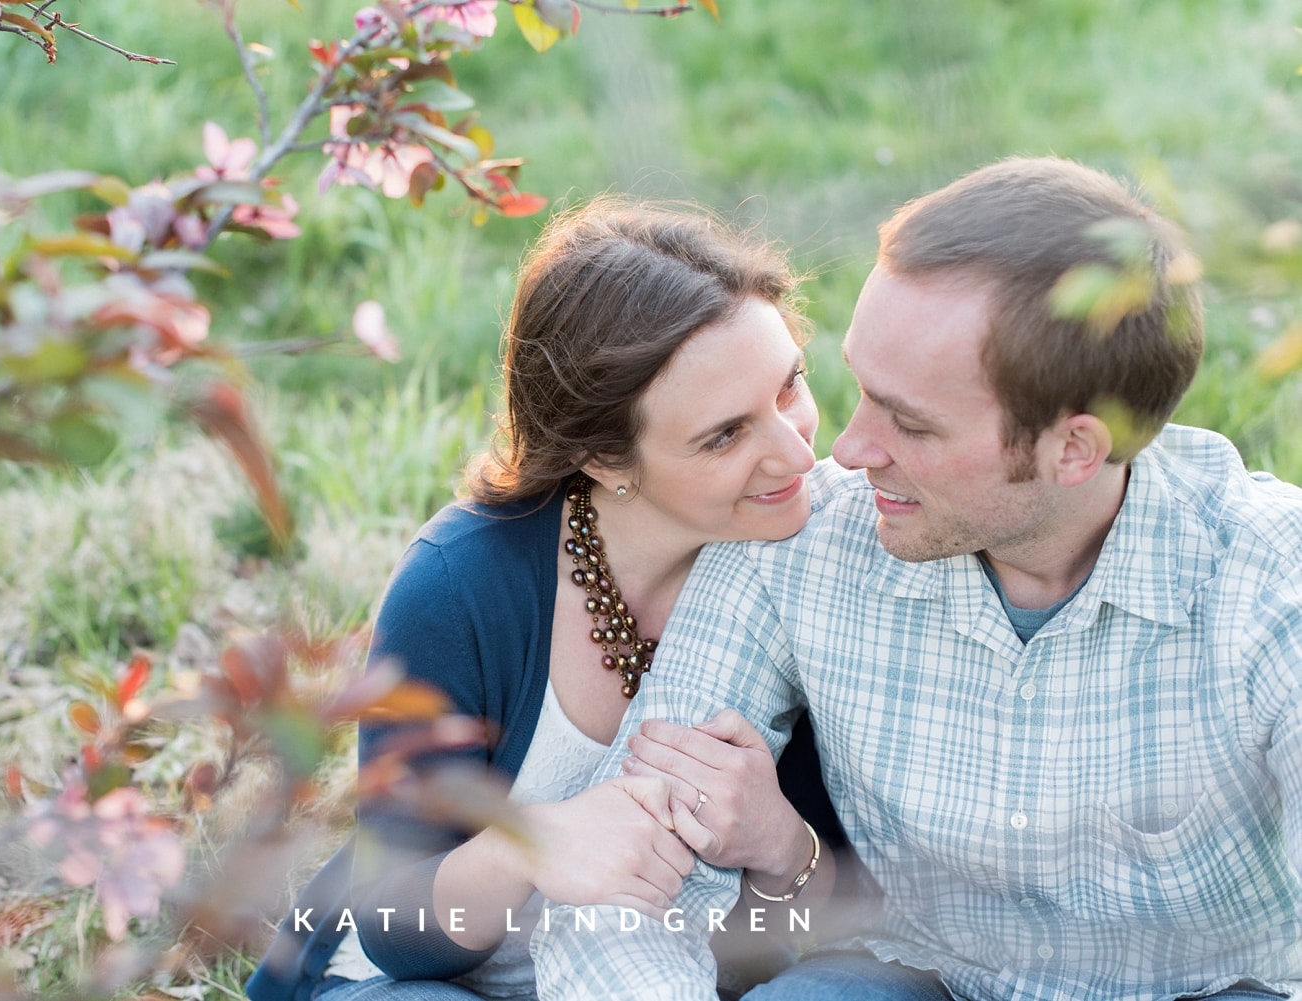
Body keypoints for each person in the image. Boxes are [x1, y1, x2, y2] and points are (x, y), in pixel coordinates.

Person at [530, 156, 1302, 1001]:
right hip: (917, 974)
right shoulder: (799, 540)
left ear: (1073, 449)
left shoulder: (1267, 584)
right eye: (859, 389)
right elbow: (613, 898)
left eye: (911, 422)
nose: (848, 450)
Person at [246, 195, 845, 1001]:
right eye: (726, 434)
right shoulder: (459, 586)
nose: (796, 450)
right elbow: (390, 928)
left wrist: (783, 847)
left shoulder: (814, 566)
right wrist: (527, 848)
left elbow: (817, 932)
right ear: (603, 456)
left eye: (790, 386)